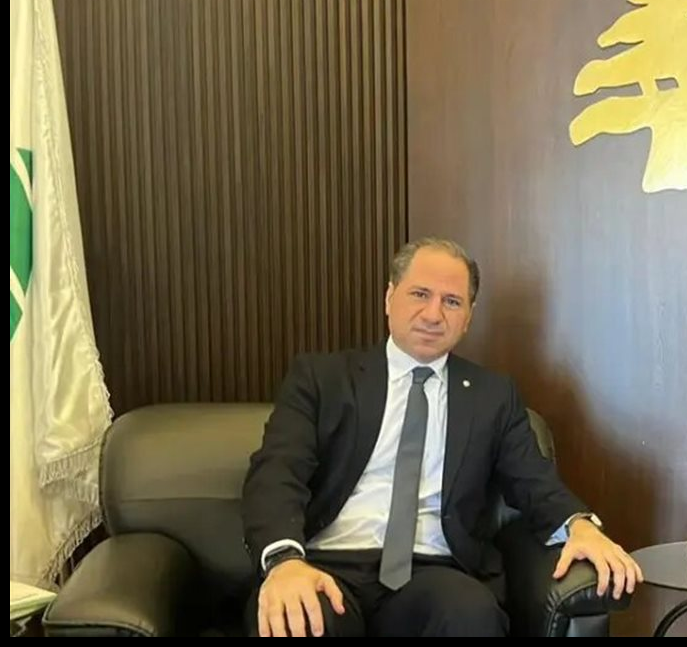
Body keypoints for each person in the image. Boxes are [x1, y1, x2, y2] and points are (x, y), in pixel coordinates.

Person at [242, 237, 642, 637]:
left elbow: (534, 481)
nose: (433, 314)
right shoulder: (323, 379)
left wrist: (580, 527)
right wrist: (284, 561)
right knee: (294, 619)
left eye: (452, 301)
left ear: (468, 317)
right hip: (327, 565)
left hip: (433, 573)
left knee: (471, 613)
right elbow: (277, 472)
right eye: (420, 294)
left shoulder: (492, 396)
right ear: (389, 298)